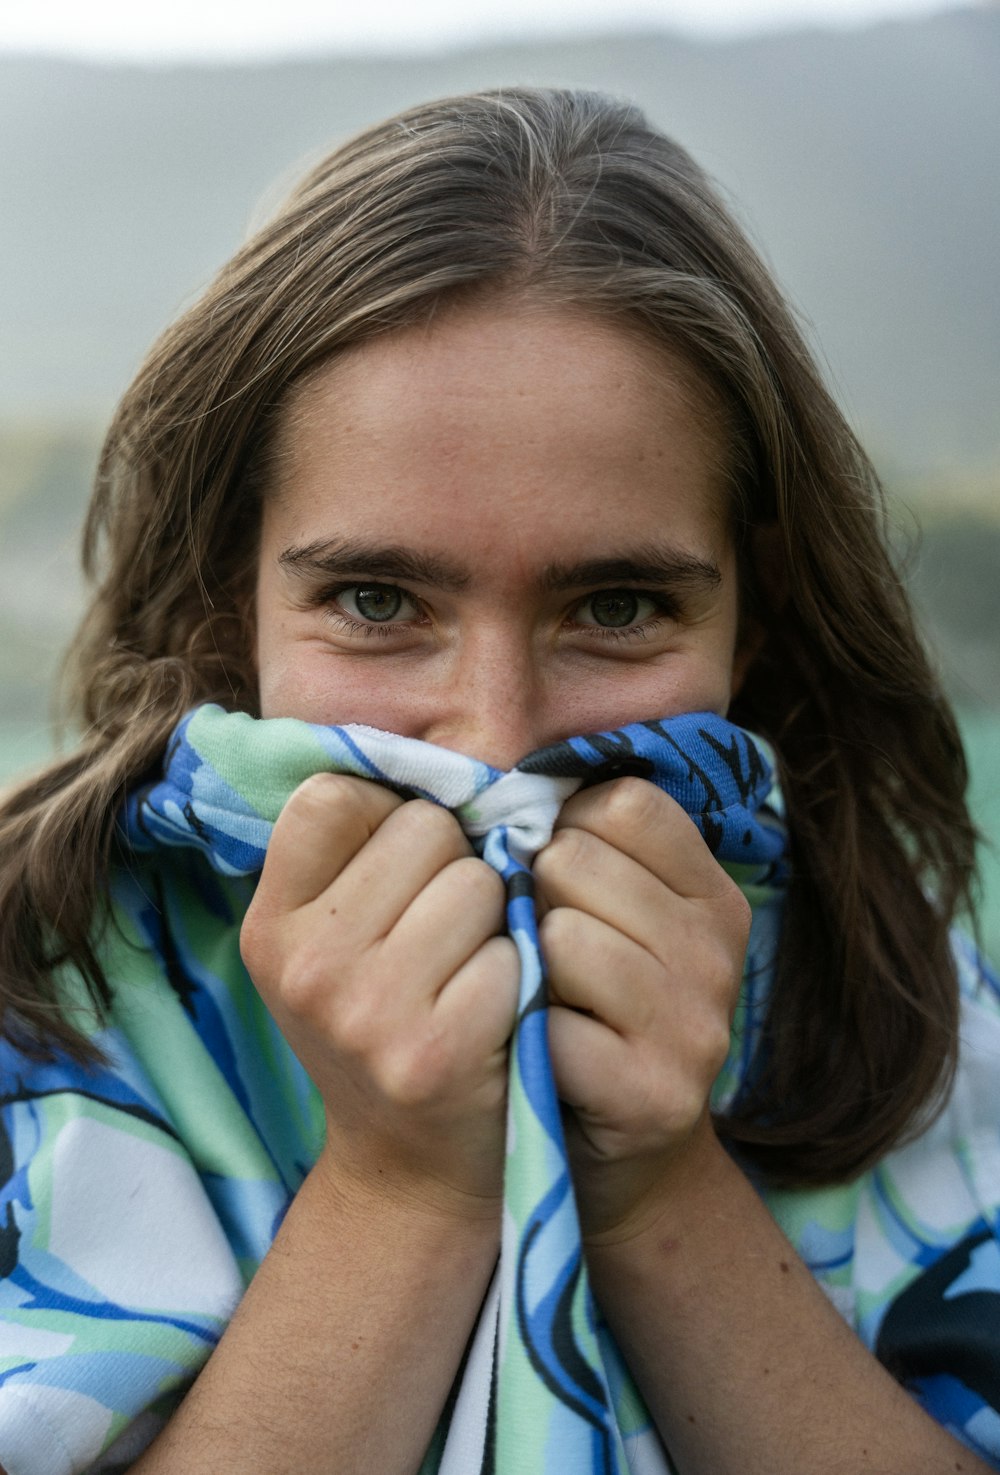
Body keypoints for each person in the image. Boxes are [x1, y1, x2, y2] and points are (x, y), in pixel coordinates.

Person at [0, 86, 997, 1475]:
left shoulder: (920, 1015)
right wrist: (401, 1187)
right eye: (373, 599)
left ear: (751, 620)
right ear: (234, 601)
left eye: (621, 606)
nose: (492, 739)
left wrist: (657, 1184)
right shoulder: (37, 1006)